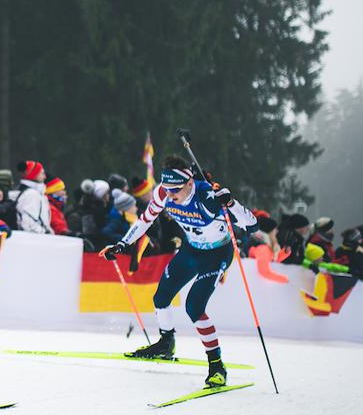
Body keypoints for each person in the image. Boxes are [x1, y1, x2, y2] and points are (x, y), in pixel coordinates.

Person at [102, 155, 258, 389]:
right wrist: (122, 244)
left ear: (189, 183)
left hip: (216, 255)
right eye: (166, 188)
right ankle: (166, 343)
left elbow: (252, 225)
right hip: (190, 250)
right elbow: (145, 221)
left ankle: (216, 366)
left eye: (175, 189)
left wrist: (231, 202)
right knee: (161, 297)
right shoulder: (163, 193)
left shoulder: (207, 197)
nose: (170, 194)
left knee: (194, 307)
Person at [14, 160, 53, 234]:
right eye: (42, 173)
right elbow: (29, 225)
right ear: (34, 175)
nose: (45, 177)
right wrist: (45, 234)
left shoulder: (36, 193)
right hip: (35, 241)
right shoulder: (31, 195)